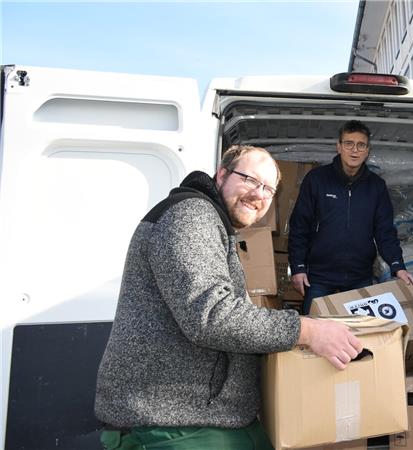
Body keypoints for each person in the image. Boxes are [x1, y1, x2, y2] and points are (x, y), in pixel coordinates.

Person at [94, 145, 363, 450]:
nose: (259, 194)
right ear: (221, 175)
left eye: (268, 189)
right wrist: (308, 330)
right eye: (250, 180)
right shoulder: (190, 216)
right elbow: (211, 315)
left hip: (210, 416)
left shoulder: (214, 224)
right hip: (170, 423)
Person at [288, 120, 413, 314]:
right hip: (320, 276)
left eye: (361, 145)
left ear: (367, 151)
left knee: (360, 331)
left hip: (359, 276)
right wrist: (298, 267)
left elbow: (385, 232)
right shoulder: (317, 179)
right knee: (313, 327)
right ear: (339, 147)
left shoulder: (376, 186)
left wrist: (398, 266)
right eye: (349, 144)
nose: (354, 150)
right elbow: (299, 226)